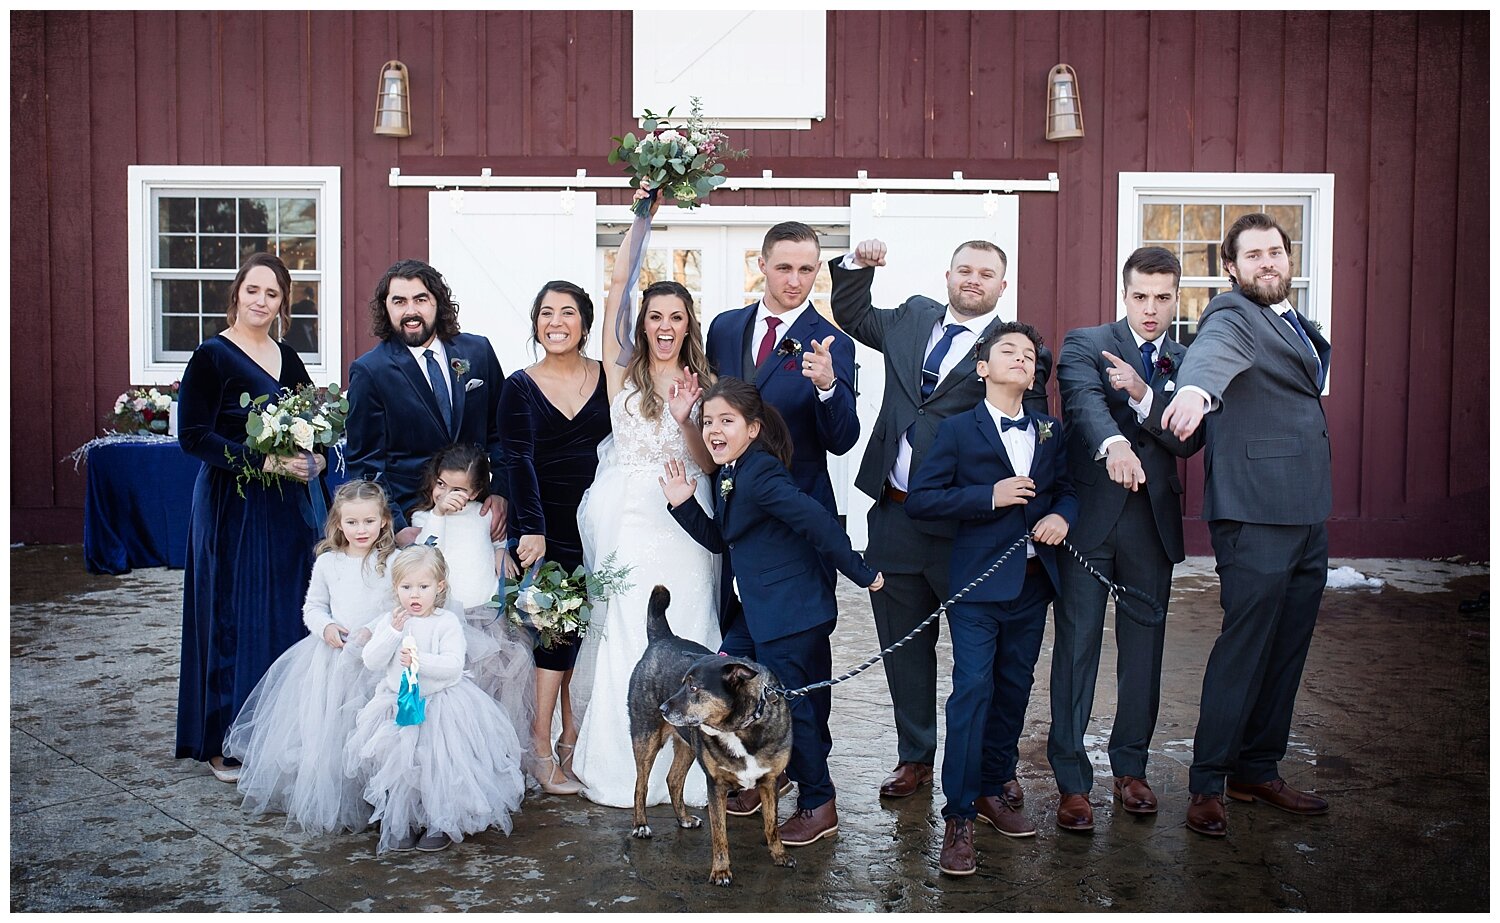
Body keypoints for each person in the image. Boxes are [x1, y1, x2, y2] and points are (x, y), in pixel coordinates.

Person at [829, 238, 1051, 802]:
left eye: (987, 274)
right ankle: (916, 757)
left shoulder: (1015, 349)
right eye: (965, 270)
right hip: (895, 512)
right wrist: (857, 265)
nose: (974, 280)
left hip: (971, 527)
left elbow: (1034, 434)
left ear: (1004, 286)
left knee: (983, 659)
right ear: (947, 274)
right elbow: (851, 313)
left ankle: (991, 763)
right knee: (904, 646)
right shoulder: (911, 317)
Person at [1159, 212, 1333, 838]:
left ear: (1289, 259)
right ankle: (1208, 781)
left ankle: (1257, 768)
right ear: (1230, 268)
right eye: (1253, 255)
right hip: (1256, 514)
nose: (1267, 263)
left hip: (1307, 511)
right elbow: (1213, 356)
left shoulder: (1294, 323)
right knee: (1245, 649)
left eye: (1276, 252)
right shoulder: (1232, 315)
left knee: (1286, 651)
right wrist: (1195, 392)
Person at [660, 377, 884, 847]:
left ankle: (819, 803)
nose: (715, 430)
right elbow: (725, 540)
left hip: (791, 612)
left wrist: (860, 573)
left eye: (727, 421)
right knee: (725, 673)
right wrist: (682, 503)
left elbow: (817, 518)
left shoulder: (760, 472)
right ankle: (772, 776)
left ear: (753, 428)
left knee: (796, 708)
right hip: (759, 611)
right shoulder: (731, 471)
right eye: (709, 422)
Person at [904, 323, 1077, 876]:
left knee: (1013, 688)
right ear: (982, 366)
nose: (1022, 358)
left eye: (1030, 354)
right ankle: (957, 817)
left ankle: (991, 787)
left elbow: (1070, 489)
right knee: (972, 690)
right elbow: (922, 501)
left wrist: (1060, 515)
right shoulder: (956, 430)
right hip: (978, 586)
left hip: (1033, 585)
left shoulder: (1051, 429)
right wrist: (989, 496)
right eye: (1009, 350)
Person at [570, 190, 721, 809]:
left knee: (687, 625)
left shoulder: (705, 382)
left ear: (689, 325)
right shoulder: (621, 369)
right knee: (631, 634)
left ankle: (689, 767)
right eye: (655, 316)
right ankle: (620, 762)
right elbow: (614, 291)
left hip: (688, 514)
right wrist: (642, 217)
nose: (664, 327)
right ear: (644, 323)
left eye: (675, 317)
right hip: (630, 514)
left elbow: (711, 459)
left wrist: (690, 418)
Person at [1047, 247, 1205, 832]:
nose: (1151, 309)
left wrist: (1144, 394)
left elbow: (1188, 441)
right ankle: (1071, 780)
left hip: (1151, 526)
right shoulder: (1086, 342)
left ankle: (1131, 770)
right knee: (1077, 649)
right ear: (1125, 292)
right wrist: (1115, 444)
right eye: (1141, 296)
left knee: (1144, 655)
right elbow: (1084, 404)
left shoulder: (1189, 360)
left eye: (1163, 298)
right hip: (1089, 520)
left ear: (1177, 298)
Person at [177, 252, 327, 782]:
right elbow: (192, 437)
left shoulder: (288, 356)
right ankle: (223, 741)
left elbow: (314, 424)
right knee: (232, 612)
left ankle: (272, 730)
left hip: (285, 507)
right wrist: (262, 459)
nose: (261, 301)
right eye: (253, 290)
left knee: (285, 609)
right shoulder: (211, 356)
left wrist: (316, 458)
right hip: (231, 502)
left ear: (283, 303)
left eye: (273, 294)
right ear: (236, 293)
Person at [224, 480, 399, 833]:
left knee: (377, 725)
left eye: (368, 521)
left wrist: (373, 629)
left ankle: (384, 792)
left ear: (383, 521)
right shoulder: (329, 563)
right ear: (338, 523)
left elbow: (399, 606)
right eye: (352, 522)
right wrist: (327, 628)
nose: (360, 529)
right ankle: (343, 794)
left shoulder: (391, 561)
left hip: (378, 655)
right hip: (332, 657)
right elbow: (313, 607)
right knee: (332, 728)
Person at [500, 281, 612, 795]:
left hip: (604, 524)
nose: (556, 322)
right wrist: (532, 530)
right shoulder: (519, 386)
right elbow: (517, 461)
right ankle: (541, 746)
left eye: (568, 312)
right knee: (556, 637)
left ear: (585, 324)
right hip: (549, 529)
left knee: (590, 639)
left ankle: (576, 739)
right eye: (546, 313)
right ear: (536, 323)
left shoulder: (610, 379)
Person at [346, 545, 526, 854]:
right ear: (395, 587)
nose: (414, 595)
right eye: (406, 587)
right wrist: (391, 633)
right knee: (403, 766)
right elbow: (372, 660)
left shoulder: (446, 623)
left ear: (439, 587)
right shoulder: (391, 620)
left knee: (438, 765)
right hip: (398, 702)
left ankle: (439, 821)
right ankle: (405, 821)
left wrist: (419, 660)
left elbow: (453, 665)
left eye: (423, 587)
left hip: (441, 706)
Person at [345, 259, 507, 545]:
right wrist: (395, 526)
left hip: (479, 514)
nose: (410, 311)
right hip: (415, 519)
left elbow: (503, 433)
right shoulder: (370, 371)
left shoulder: (478, 350)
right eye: (399, 301)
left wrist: (502, 493)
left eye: (420, 299)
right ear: (387, 307)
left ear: (437, 302)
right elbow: (366, 463)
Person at [704, 222, 859, 514]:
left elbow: (842, 441)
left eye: (805, 270)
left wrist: (828, 388)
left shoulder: (835, 344)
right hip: (729, 510)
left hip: (798, 509)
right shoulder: (724, 328)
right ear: (762, 264)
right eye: (784, 268)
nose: (795, 281)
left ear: (818, 268)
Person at [408, 444, 536, 743]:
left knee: (488, 689)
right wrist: (437, 512)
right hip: (444, 619)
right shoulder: (423, 518)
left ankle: (487, 747)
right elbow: (424, 549)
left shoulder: (485, 515)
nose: (447, 494)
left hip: (486, 618)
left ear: (477, 490)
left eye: (458, 489)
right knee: (448, 690)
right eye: (441, 485)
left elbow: (498, 541)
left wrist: (501, 552)